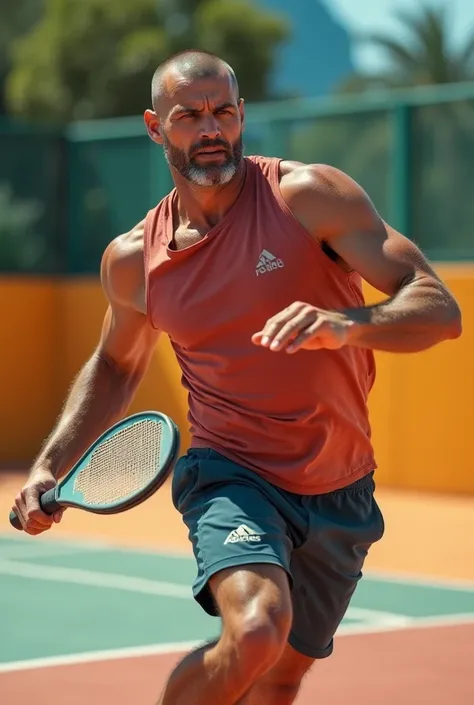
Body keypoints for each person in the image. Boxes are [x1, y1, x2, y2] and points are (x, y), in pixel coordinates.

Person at [12, 49, 462, 705]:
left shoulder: (308, 196)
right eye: (189, 115)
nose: (210, 128)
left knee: (277, 678)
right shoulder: (137, 260)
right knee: (255, 630)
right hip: (232, 472)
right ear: (154, 126)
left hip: (341, 483)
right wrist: (51, 464)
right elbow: (115, 363)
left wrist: (348, 322)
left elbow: (438, 308)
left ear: (243, 115)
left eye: (223, 110)